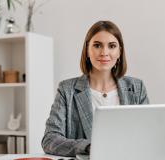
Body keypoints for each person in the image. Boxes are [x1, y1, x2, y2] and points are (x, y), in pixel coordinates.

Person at [41, 20, 149, 157]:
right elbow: (50, 139)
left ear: (119, 52)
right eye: (97, 45)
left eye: (112, 46)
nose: (104, 52)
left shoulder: (136, 88)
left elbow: (147, 135)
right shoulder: (67, 90)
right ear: (87, 50)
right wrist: (89, 147)